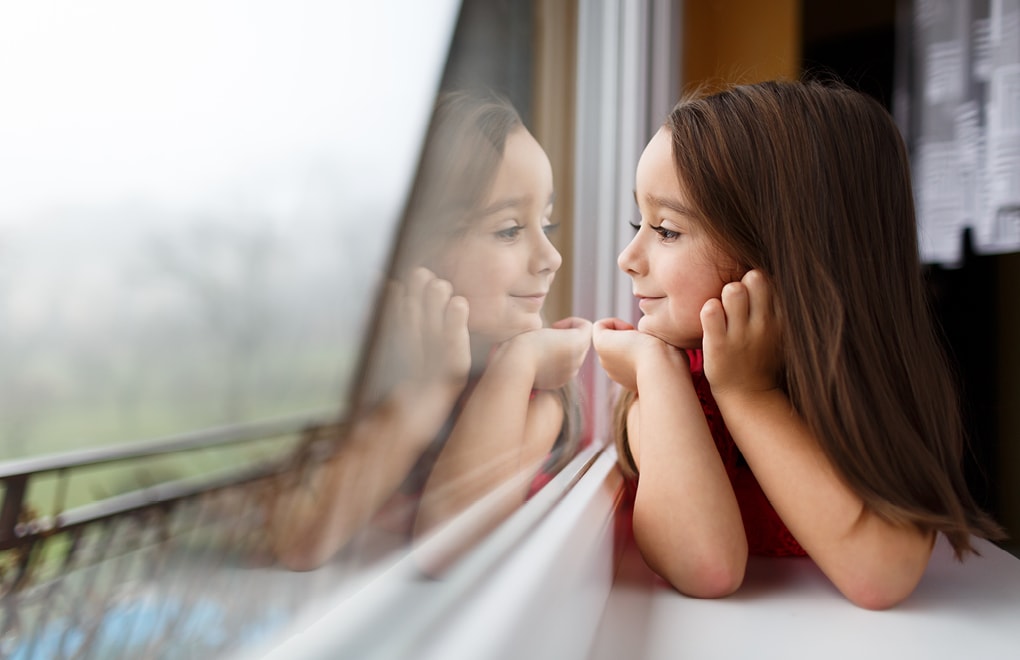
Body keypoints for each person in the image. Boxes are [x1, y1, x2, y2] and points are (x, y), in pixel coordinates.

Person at [592, 79, 1003, 610]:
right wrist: (654, 368)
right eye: (637, 222)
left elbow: (884, 573)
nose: (628, 255)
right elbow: (706, 566)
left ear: (783, 251)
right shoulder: (668, 377)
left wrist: (748, 393)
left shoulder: (857, 386)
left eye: (666, 230)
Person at [267, 89, 590, 572]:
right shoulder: (359, 379)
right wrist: (425, 391)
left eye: (549, 223)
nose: (551, 258)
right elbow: (300, 542)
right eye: (508, 230)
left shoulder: (538, 391)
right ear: (412, 249)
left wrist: (516, 363)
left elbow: (446, 546)